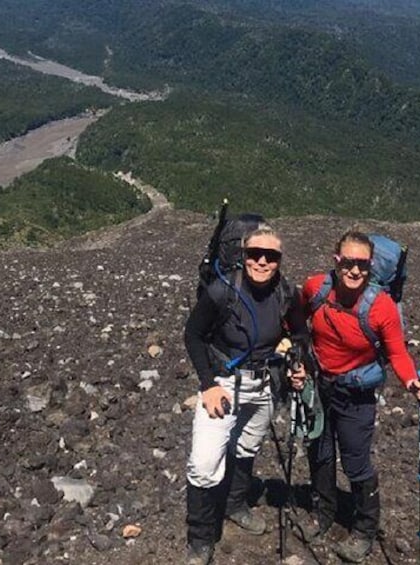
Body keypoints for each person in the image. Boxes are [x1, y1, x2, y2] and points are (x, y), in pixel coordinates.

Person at [290, 230, 420, 563]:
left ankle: (364, 529)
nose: (355, 271)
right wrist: (294, 355)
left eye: (363, 265)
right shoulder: (316, 288)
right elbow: (296, 320)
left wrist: (413, 383)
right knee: (320, 452)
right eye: (348, 263)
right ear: (336, 261)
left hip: (356, 395)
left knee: (356, 462)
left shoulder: (380, 307)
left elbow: (398, 353)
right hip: (319, 386)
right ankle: (323, 514)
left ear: (371, 266)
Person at [183, 224, 308, 565]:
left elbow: (300, 334)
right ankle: (200, 538)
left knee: (247, 446)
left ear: (279, 260)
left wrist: (298, 362)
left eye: (271, 256)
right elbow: (193, 334)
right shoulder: (222, 292)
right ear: (243, 255)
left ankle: (236, 504)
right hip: (224, 383)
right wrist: (208, 385)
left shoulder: (286, 294)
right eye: (255, 254)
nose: (262, 262)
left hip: (264, 385)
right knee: (205, 463)